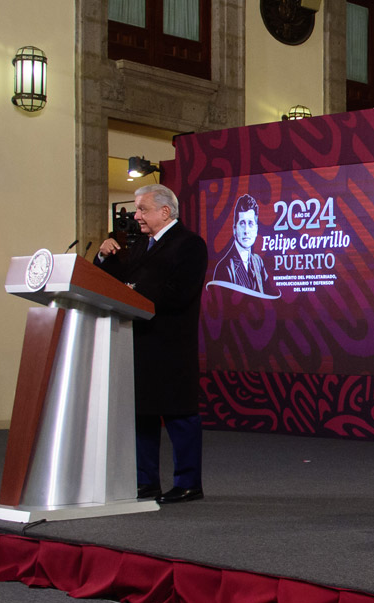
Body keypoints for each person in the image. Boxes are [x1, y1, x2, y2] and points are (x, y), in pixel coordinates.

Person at [96, 183, 210, 504]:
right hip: (137, 343)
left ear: (165, 211)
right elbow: (115, 282)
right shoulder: (139, 246)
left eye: (142, 209)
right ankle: (145, 483)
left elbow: (178, 294)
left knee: (180, 416)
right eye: (137, 209)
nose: (136, 216)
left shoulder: (189, 244)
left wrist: (135, 291)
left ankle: (188, 483)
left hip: (170, 345)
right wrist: (104, 257)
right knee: (141, 417)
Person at [212, 193, 267, 294]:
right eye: (242, 223)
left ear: (256, 230)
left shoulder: (258, 262)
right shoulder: (224, 268)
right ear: (234, 229)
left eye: (250, 223)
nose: (246, 230)